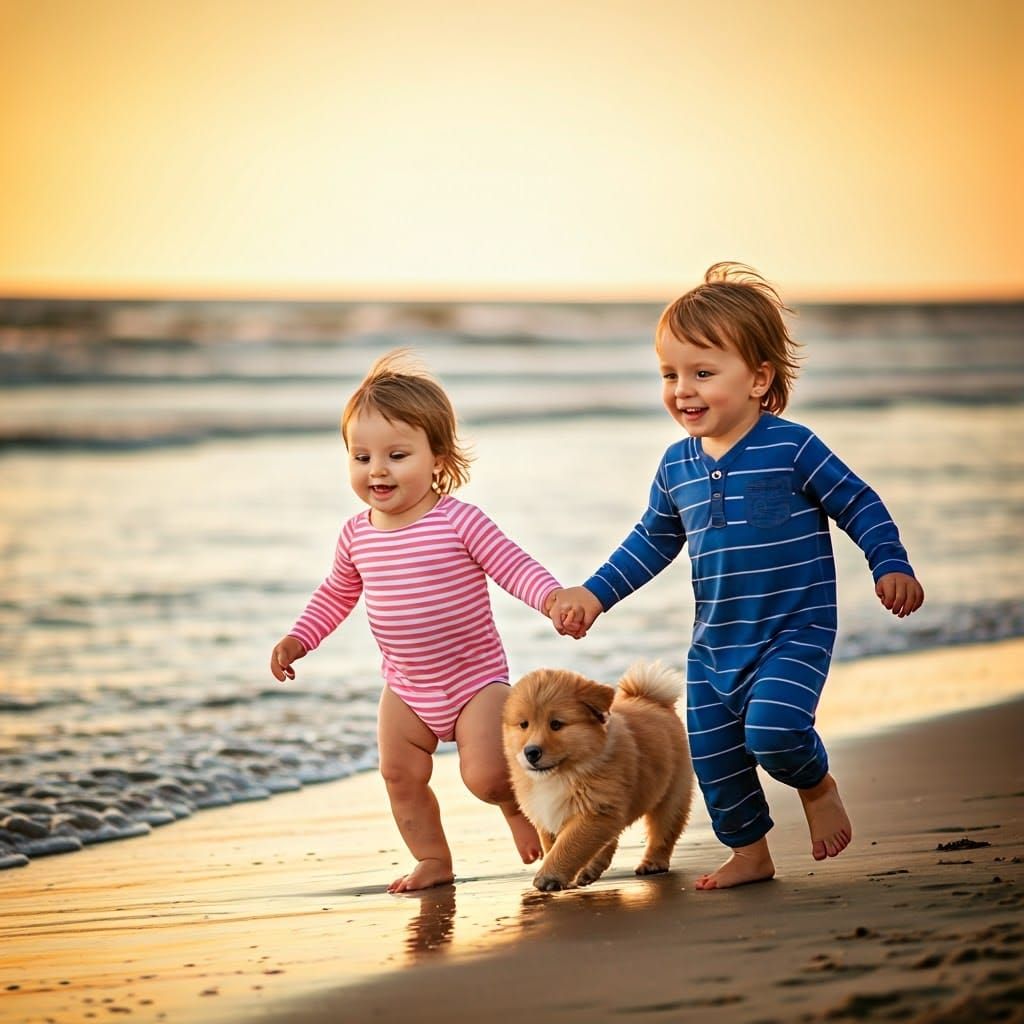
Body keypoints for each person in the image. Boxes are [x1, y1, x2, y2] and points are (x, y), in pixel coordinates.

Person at [550, 263, 925, 890]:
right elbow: (651, 540)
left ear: (758, 379)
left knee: (775, 732)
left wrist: (890, 563)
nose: (682, 390)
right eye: (670, 375)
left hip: (793, 632)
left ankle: (817, 784)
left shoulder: (793, 448)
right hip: (715, 644)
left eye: (702, 373)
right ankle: (751, 853)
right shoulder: (676, 467)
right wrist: (594, 593)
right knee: (719, 758)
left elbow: (859, 502)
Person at [271, 349, 563, 893]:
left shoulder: (459, 521)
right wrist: (298, 638)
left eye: (397, 454)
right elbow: (336, 594)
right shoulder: (356, 535)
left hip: (475, 681)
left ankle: (515, 809)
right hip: (406, 686)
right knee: (399, 775)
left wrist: (552, 600)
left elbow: (511, 566)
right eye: (361, 457)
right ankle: (433, 859)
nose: (377, 470)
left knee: (487, 777)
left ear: (438, 458)